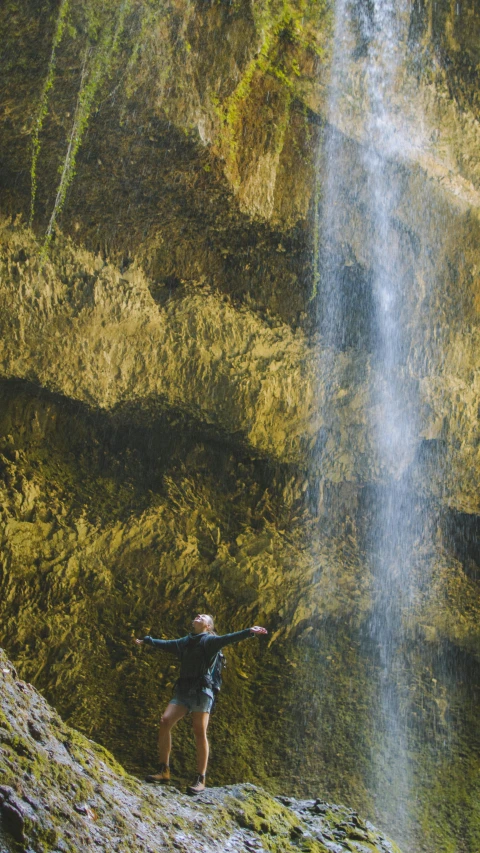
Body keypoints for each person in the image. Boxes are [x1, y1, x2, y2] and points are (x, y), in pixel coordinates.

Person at [134, 614, 267, 794]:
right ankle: (164, 770)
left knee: (199, 731)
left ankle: (200, 778)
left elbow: (228, 639)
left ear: (208, 627)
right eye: (198, 615)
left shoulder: (209, 641)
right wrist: (148, 641)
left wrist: (249, 632)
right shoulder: (186, 641)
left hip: (202, 692)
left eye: (203, 617)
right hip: (184, 689)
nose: (198, 616)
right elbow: (167, 644)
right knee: (165, 721)